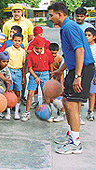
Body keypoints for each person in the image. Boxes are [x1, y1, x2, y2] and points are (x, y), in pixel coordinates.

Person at [49, 2, 95, 154]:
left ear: (59, 14)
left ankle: (76, 144)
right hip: (74, 69)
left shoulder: (69, 27)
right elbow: (70, 55)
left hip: (82, 70)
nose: (50, 18)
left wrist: (78, 76)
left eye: (51, 15)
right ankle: (71, 135)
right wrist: (60, 71)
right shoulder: (66, 27)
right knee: (66, 102)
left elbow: (80, 51)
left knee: (72, 105)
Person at [22, 36, 54, 122]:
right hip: (34, 74)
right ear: (33, 47)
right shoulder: (31, 55)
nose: (39, 50)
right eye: (37, 48)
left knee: (46, 95)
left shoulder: (48, 53)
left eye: (40, 48)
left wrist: (52, 76)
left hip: (45, 74)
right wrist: (36, 77)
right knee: (30, 94)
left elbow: (51, 65)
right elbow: (30, 68)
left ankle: (48, 113)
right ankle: (27, 112)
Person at [5, 33, 26, 120]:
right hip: (9, 71)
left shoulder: (22, 51)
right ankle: (8, 112)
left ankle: (16, 112)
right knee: (9, 91)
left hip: (18, 72)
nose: (17, 43)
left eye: (19, 41)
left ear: (21, 42)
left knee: (18, 92)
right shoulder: (8, 50)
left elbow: (23, 64)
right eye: (15, 40)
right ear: (12, 40)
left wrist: (23, 76)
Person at [84, 27, 96, 121]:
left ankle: (91, 111)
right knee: (80, 92)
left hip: (93, 71)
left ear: (94, 37)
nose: (87, 37)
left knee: (92, 93)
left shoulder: (95, 48)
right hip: (83, 70)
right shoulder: (82, 46)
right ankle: (78, 113)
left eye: (89, 35)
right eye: (85, 35)